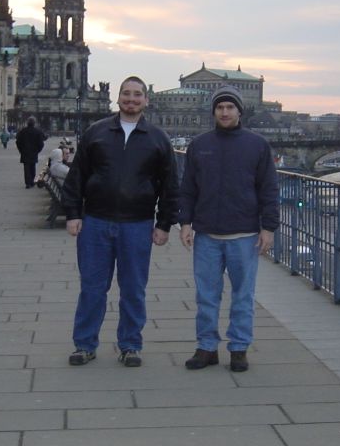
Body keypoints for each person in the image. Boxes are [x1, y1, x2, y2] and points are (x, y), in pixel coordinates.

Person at [61, 76, 179, 368]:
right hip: (95, 222)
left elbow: (170, 186)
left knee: (133, 289)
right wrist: (73, 213)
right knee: (92, 287)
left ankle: (130, 345)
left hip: (137, 224)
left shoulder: (158, 138)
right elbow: (77, 175)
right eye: (126, 94)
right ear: (118, 98)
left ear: (145, 100)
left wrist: (164, 223)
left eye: (137, 95)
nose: (131, 99)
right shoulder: (96, 132)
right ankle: (84, 344)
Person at [179, 85, 279, 373]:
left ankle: (238, 348)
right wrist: (185, 222)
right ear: (214, 112)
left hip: (244, 235)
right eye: (220, 108)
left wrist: (268, 228)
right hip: (207, 234)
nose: (224, 112)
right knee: (206, 296)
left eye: (229, 107)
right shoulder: (199, 145)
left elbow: (269, 190)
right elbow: (188, 189)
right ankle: (206, 347)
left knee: (243, 296)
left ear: (239, 111)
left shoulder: (257, 145)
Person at [15, 117, 46, 188]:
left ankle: (27, 183)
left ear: (27, 123)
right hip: (34, 152)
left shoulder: (23, 131)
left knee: (26, 168)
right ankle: (31, 181)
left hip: (25, 152)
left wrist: (21, 150)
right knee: (32, 167)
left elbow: (18, 142)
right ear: (34, 123)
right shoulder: (37, 131)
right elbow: (41, 144)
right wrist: (38, 150)